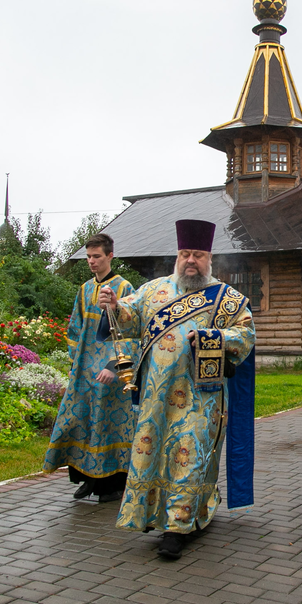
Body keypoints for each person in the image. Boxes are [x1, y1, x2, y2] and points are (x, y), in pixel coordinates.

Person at [97, 219, 256, 560]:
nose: (190, 261)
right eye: (185, 253)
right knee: (154, 456)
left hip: (202, 398)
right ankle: (152, 515)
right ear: (178, 255)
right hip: (157, 396)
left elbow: (245, 336)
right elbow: (130, 316)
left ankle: (177, 527)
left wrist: (216, 337)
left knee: (189, 457)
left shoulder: (226, 299)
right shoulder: (153, 290)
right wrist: (113, 303)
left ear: (209, 258)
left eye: (198, 255)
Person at [43, 233, 136, 502]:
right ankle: (86, 479)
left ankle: (111, 485)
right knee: (80, 420)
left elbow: (132, 333)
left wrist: (113, 366)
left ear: (110, 256)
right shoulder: (84, 290)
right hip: (84, 370)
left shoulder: (124, 288)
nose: (92, 262)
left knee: (108, 426)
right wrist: (77, 360)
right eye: (89, 257)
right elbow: (75, 328)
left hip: (113, 374)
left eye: (97, 256)